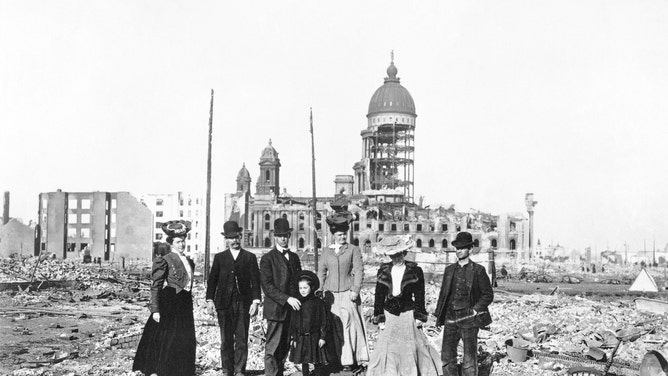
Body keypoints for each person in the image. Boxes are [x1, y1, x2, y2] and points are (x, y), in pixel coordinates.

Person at [367, 236, 442, 376]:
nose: (396, 258)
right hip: (389, 313)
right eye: (393, 255)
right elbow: (378, 295)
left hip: (407, 312)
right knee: (388, 346)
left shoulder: (415, 270)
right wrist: (379, 317)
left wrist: (419, 315)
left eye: (399, 254)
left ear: (404, 253)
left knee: (411, 344)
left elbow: (420, 295)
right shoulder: (383, 270)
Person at [133, 220, 196, 376]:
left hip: (185, 302)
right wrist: (155, 310)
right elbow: (156, 286)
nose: (182, 244)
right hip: (170, 301)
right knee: (167, 338)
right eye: (178, 242)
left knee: (184, 337)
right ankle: (163, 370)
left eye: (183, 241)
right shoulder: (165, 259)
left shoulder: (188, 261)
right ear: (171, 243)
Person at [206, 221, 261, 376]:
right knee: (226, 339)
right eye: (231, 238)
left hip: (244, 302)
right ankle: (227, 370)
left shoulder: (249, 257)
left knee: (242, 338)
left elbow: (255, 281)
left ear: (240, 237)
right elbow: (212, 280)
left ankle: (239, 370)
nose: (235, 240)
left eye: (237, 237)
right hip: (224, 303)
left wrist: (256, 301)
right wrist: (210, 300)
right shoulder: (219, 258)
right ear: (226, 240)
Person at [435, 232, 494, 376]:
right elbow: (443, 294)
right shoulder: (449, 270)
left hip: (469, 319)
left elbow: (488, 295)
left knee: (469, 360)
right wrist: (438, 315)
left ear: (470, 250)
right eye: (457, 248)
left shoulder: (478, 271)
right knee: (447, 358)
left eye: (462, 248)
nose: (458, 251)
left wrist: (475, 310)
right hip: (450, 317)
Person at [317, 212, 369, 372]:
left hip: (348, 293)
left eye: (344, 234)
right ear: (333, 235)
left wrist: (355, 289)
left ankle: (349, 360)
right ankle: (333, 359)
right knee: (331, 327)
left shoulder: (353, 249)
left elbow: (359, 270)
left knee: (349, 326)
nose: (342, 237)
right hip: (330, 295)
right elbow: (321, 272)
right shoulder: (326, 251)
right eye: (339, 235)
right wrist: (319, 289)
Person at [260, 218, 303, 376]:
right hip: (276, 310)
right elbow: (267, 286)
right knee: (272, 347)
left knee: (284, 347)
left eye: (285, 235)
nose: (283, 239)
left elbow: (299, 281)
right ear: (274, 237)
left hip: (292, 311)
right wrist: (287, 299)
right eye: (280, 236)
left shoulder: (294, 257)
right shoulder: (267, 258)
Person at [289, 270, 330, 376]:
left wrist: (323, 337)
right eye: (300, 288)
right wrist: (294, 337)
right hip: (301, 336)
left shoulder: (318, 303)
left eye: (305, 288)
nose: (302, 290)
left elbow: (324, 320)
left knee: (317, 360)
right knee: (304, 360)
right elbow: (293, 322)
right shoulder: (297, 302)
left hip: (315, 336)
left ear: (311, 287)